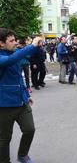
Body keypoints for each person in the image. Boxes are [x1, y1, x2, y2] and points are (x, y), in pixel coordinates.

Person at [0, 28, 43, 163]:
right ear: (1, 43)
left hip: (21, 101)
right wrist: (32, 45)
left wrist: (25, 94)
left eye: (15, 40)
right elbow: (10, 60)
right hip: (4, 105)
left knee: (30, 129)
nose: (15, 43)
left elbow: (18, 77)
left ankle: (22, 155)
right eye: (11, 41)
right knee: (4, 138)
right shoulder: (5, 57)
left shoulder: (14, 52)